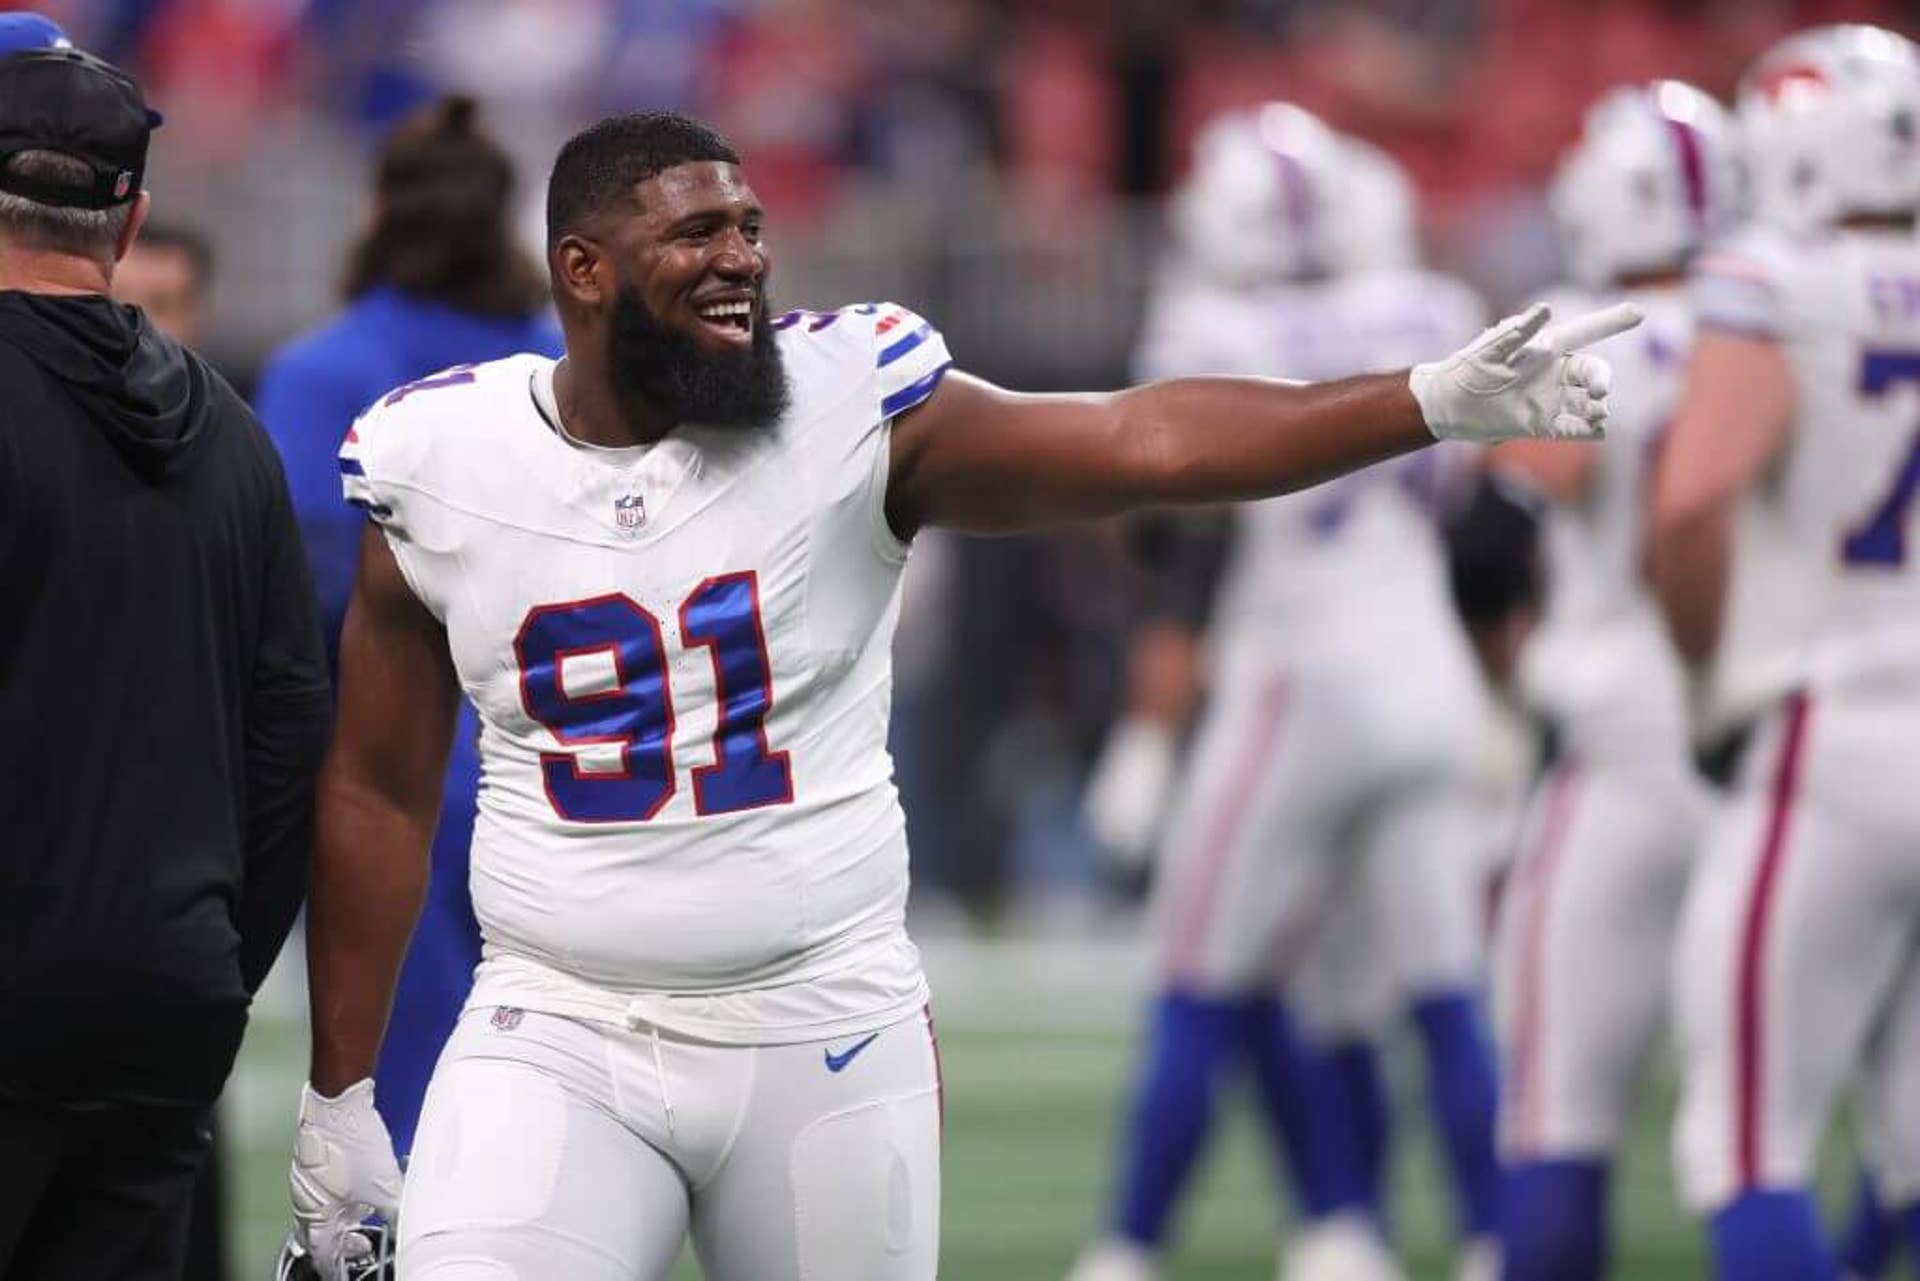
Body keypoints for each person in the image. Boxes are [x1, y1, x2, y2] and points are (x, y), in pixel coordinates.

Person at [286, 108, 1634, 1280]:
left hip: (817, 1017)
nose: (743, 256)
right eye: (695, 234)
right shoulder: (441, 457)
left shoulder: (848, 407)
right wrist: (340, 1095)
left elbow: (1142, 440)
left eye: (750, 224)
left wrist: (1424, 400)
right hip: (559, 1019)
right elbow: (375, 786)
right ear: (582, 271)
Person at [1069, 106, 1503, 1281]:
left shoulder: (1206, 321)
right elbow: (1474, 517)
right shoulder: (1431, 306)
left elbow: (1188, 532)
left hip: (1293, 683)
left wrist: (1150, 734)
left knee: (1199, 974)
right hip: (1428, 675)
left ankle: (1129, 1247)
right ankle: (1474, 1240)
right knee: (1442, 986)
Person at [0, 43, 329, 1281]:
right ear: (131, 216)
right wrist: (210, 966)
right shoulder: (237, 439)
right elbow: (290, 735)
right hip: (165, 1002)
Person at [1649, 24, 1920, 1278]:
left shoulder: (1775, 276)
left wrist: (1709, 681)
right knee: (1912, 1146)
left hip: (1832, 725)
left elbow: (1694, 500)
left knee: (1746, 1143)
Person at [254, 92, 562, 1162]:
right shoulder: (567, 364)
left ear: (378, 212)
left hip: (400, 783)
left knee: (415, 1115)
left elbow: (302, 601)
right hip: (582, 770)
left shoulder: (320, 371)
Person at [1484, 80, 1736, 1281]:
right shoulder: (1779, 319)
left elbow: (1534, 496)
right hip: (1773, 742)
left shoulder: (1592, 328)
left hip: (1626, 737)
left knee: (1560, 1111)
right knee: (1782, 1120)